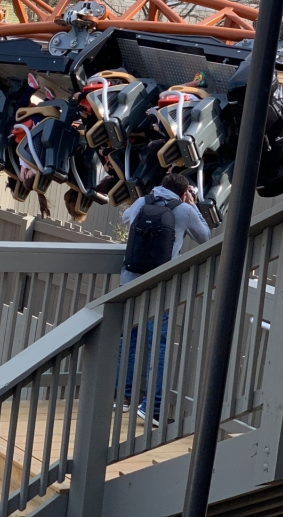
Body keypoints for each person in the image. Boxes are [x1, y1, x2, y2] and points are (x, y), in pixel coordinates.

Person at [118, 172, 211, 426]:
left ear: (161, 186)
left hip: (130, 279)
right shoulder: (184, 209)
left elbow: (126, 218)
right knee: (159, 344)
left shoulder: (143, 202)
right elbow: (205, 236)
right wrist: (193, 206)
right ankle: (152, 408)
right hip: (161, 284)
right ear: (184, 193)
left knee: (130, 338)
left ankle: (123, 397)